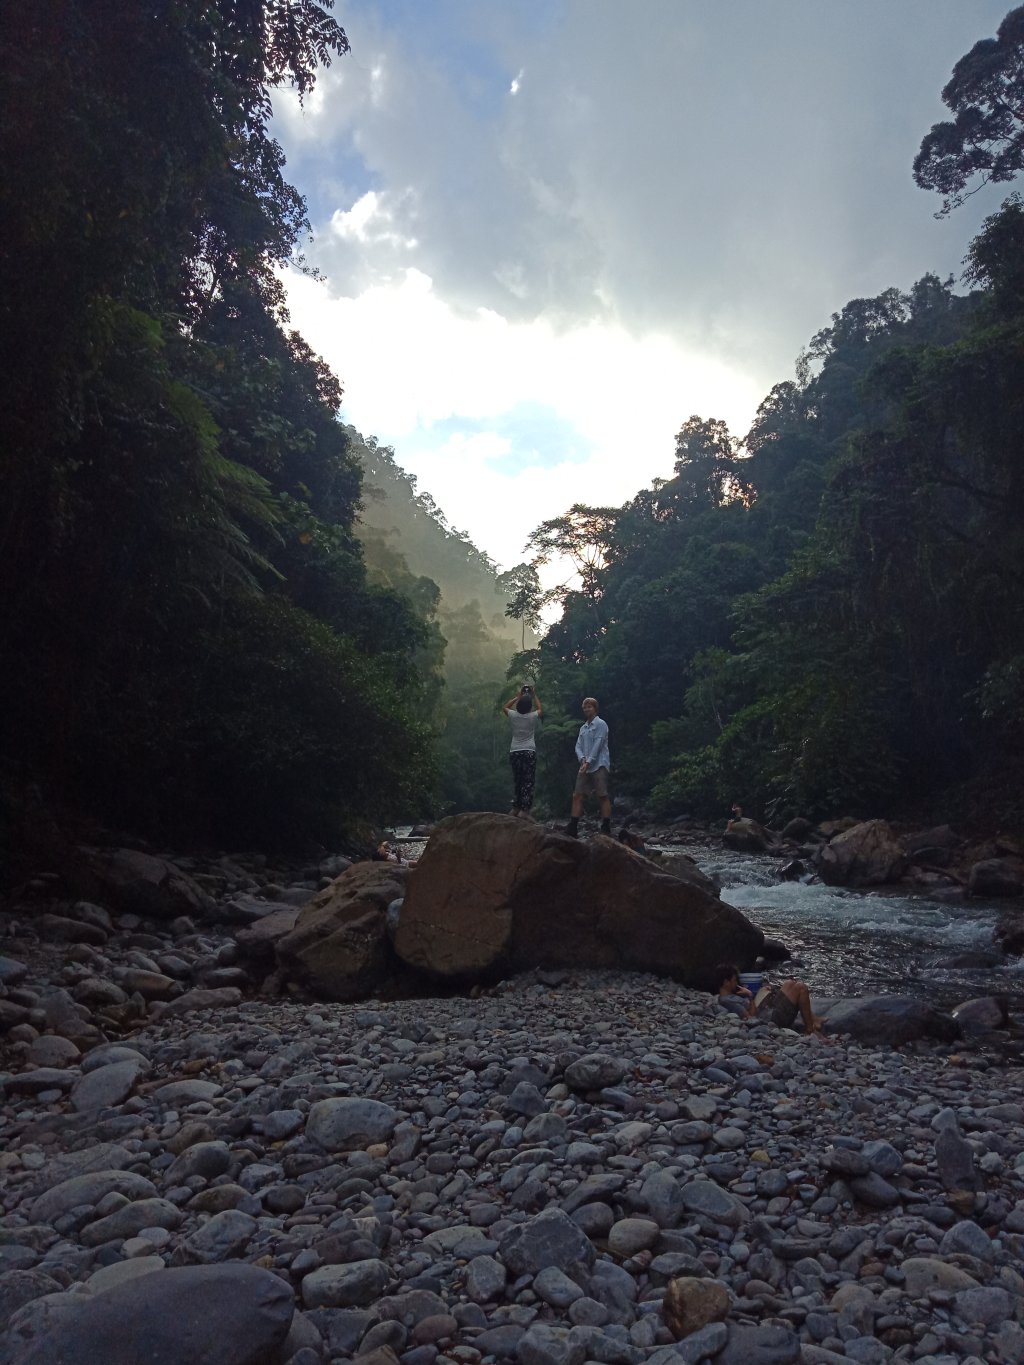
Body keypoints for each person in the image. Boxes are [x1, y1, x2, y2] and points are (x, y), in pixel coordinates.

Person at [714, 962, 825, 1034]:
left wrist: (764, 997)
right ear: (725, 982)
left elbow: (754, 1008)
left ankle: (814, 1019)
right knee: (801, 988)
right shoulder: (728, 1001)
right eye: (734, 980)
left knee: (789, 983)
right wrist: (750, 995)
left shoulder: (731, 995)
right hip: (772, 1019)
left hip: (768, 1011)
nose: (736, 983)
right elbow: (751, 1017)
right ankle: (810, 1029)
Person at [564, 696, 611, 838]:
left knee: (602, 795)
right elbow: (578, 746)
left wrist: (589, 762)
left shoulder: (601, 724)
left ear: (595, 708)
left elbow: (598, 744)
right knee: (577, 795)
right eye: (584, 707)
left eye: (589, 706)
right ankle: (573, 826)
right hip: (585, 765)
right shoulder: (583, 728)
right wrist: (582, 759)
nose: (586, 709)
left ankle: (606, 826)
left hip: (599, 765)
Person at [500, 682, 542, 817]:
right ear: (530, 706)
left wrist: (518, 696)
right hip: (529, 751)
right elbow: (540, 709)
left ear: (518, 705)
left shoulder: (513, 715)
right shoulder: (532, 716)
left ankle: (515, 808)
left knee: (518, 780)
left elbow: (505, 707)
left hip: (515, 751)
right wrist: (534, 695)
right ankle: (524, 810)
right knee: (528, 781)